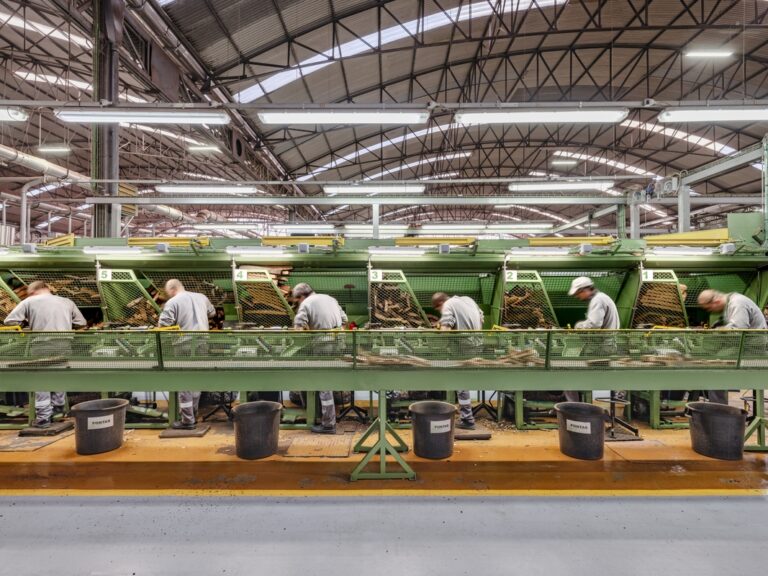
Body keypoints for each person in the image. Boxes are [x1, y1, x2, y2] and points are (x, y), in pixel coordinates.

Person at [3, 280, 87, 428]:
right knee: (58, 374)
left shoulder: (29, 301)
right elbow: (82, 322)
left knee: (41, 380)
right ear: (47, 288)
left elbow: (9, 321)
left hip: (41, 346)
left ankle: (43, 418)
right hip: (64, 345)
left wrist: (28, 323)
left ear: (33, 291)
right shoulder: (66, 301)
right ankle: (59, 408)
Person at [158, 279, 215, 429]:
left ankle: (187, 421)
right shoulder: (201, 297)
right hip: (202, 343)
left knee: (184, 382)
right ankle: (193, 414)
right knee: (196, 379)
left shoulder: (173, 302)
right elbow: (213, 312)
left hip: (184, 345)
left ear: (171, 289)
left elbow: (164, 325)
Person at [292, 283, 348, 434]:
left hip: (323, 347)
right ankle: (322, 414)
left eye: (296, 300)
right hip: (339, 345)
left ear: (301, 296)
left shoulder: (306, 304)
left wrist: (307, 336)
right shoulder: (330, 299)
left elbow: (298, 329)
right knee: (328, 380)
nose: (297, 303)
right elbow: (344, 320)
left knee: (324, 384)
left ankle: (328, 424)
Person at [697, 289, 766, 404]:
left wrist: (717, 332)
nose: (711, 311)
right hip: (744, 345)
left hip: (754, 348)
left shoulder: (737, 303)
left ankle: (718, 409)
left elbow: (738, 331)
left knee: (716, 366)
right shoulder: (729, 304)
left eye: (709, 308)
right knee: (711, 359)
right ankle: (716, 406)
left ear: (716, 302)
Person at [432, 292, 484, 430]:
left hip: (463, 348)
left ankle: (467, 420)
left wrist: (439, 331)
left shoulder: (447, 305)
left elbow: (446, 330)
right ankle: (466, 416)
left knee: (460, 383)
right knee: (463, 381)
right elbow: (481, 317)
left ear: (440, 303)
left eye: (438, 309)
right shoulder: (468, 299)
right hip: (478, 345)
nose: (440, 311)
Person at [565, 276, 620, 403]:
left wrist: (578, 326)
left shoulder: (598, 300)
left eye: (578, 294)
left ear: (585, 290)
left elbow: (594, 325)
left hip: (599, 348)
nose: (578, 297)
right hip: (605, 346)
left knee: (567, 377)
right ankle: (582, 405)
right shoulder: (603, 297)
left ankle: (574, 408)